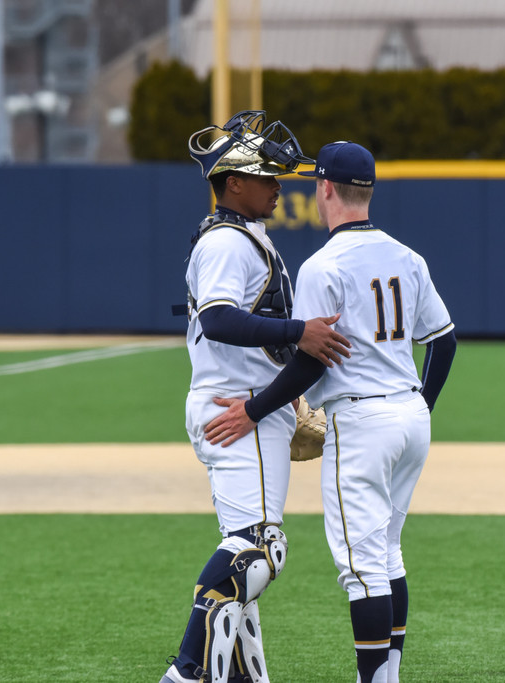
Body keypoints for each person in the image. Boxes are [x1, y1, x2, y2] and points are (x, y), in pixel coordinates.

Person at [204, 141, 457, 683]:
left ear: (323, 189)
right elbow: (444, 341)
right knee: (388, 555)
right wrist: (422, 405)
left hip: (362, 423)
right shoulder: (407, 256)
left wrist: (254, 408)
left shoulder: (324, 264)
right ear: (367, 190)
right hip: (412, 418)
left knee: (363, 569)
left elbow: (310, 362)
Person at [160, 112, 352, 683]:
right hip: (235, 407)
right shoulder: (227, 242)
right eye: (267, 177)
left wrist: (286, 396)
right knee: (261, 549)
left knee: (247, 543)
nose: (278, 186)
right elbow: (219, 319)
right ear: (233, 182)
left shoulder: (243, 237)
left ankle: (242, 675)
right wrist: (299, 334)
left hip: (242, 401)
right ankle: (189, 670)